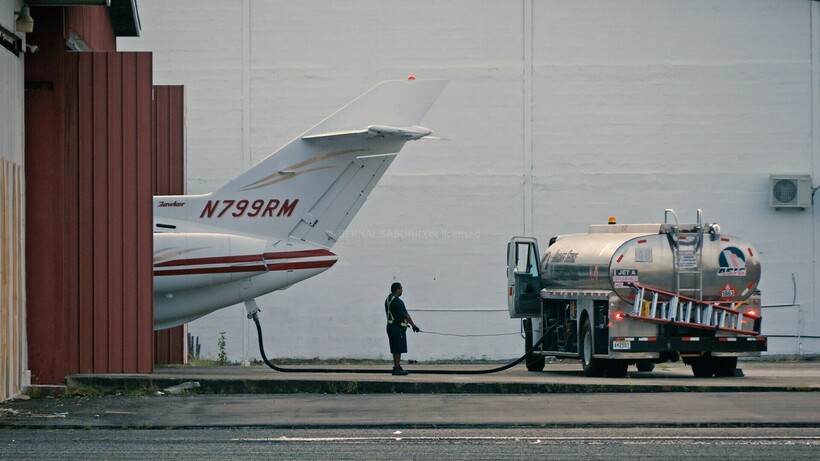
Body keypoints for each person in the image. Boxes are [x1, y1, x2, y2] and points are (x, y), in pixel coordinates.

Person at [384, 282, 420, 375]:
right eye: (401, 289)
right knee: (398, 348)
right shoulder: (398, 302)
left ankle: (397, 366)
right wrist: (413, 325)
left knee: (394, 347)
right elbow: (405, 315)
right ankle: (396, 368)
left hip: (390, 327)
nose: (402, 291)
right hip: (397, 328)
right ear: (397, 290)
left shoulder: (388, 300)